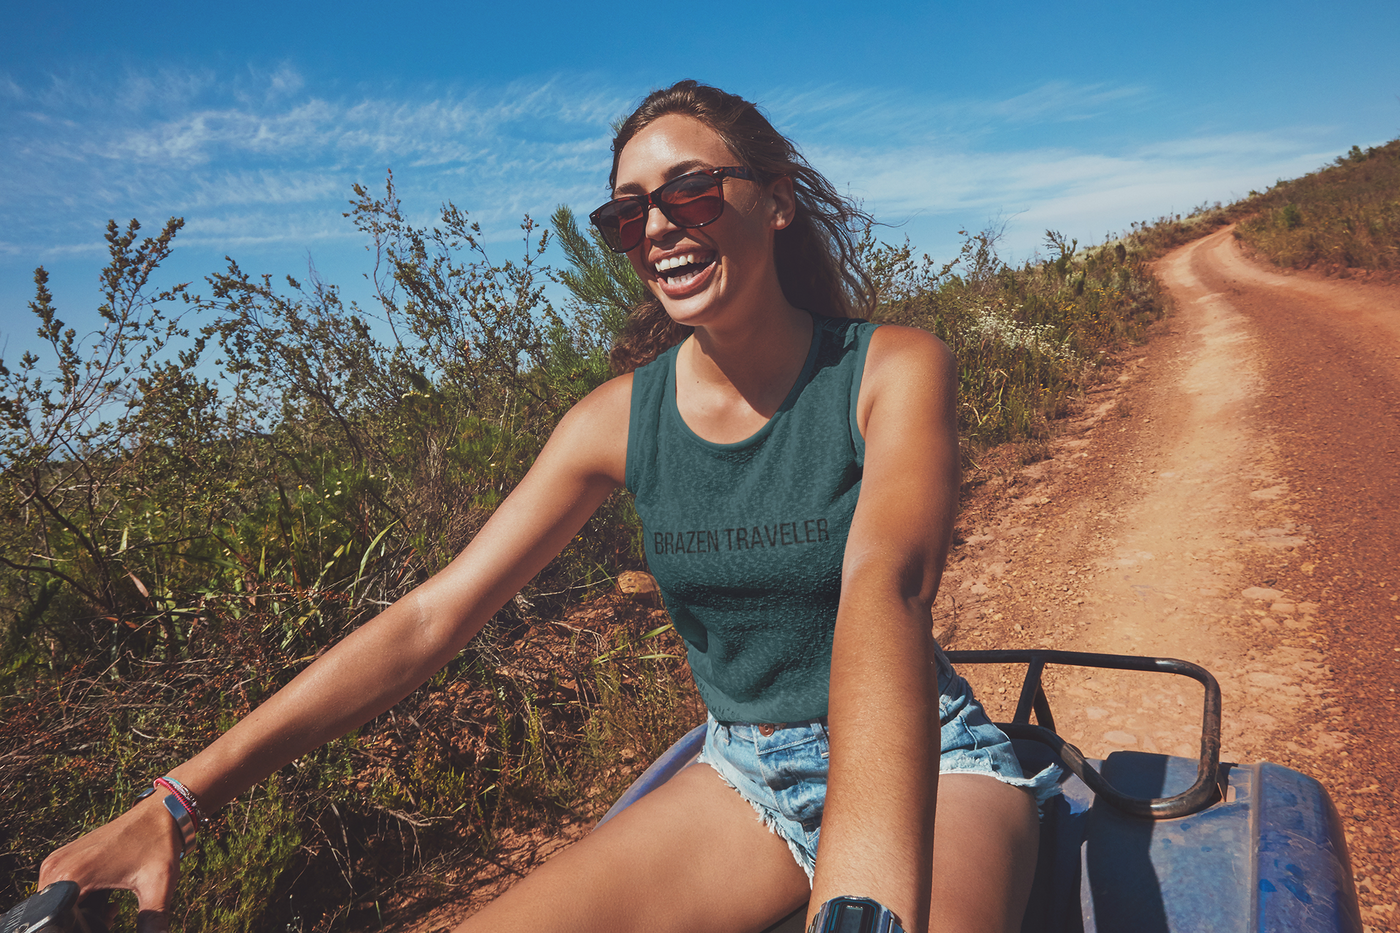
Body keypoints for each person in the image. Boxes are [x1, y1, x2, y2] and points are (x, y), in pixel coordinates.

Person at [39, 80, 1058, 933]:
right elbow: (433, 617)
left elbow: (883, 588)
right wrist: (177, 799)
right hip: (741, 779)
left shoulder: (888, 368)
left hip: (922, 761)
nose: (658, 225)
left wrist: (863, 898)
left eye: (692, 192)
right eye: (627, 213)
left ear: (777, 200)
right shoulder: (613, 421)